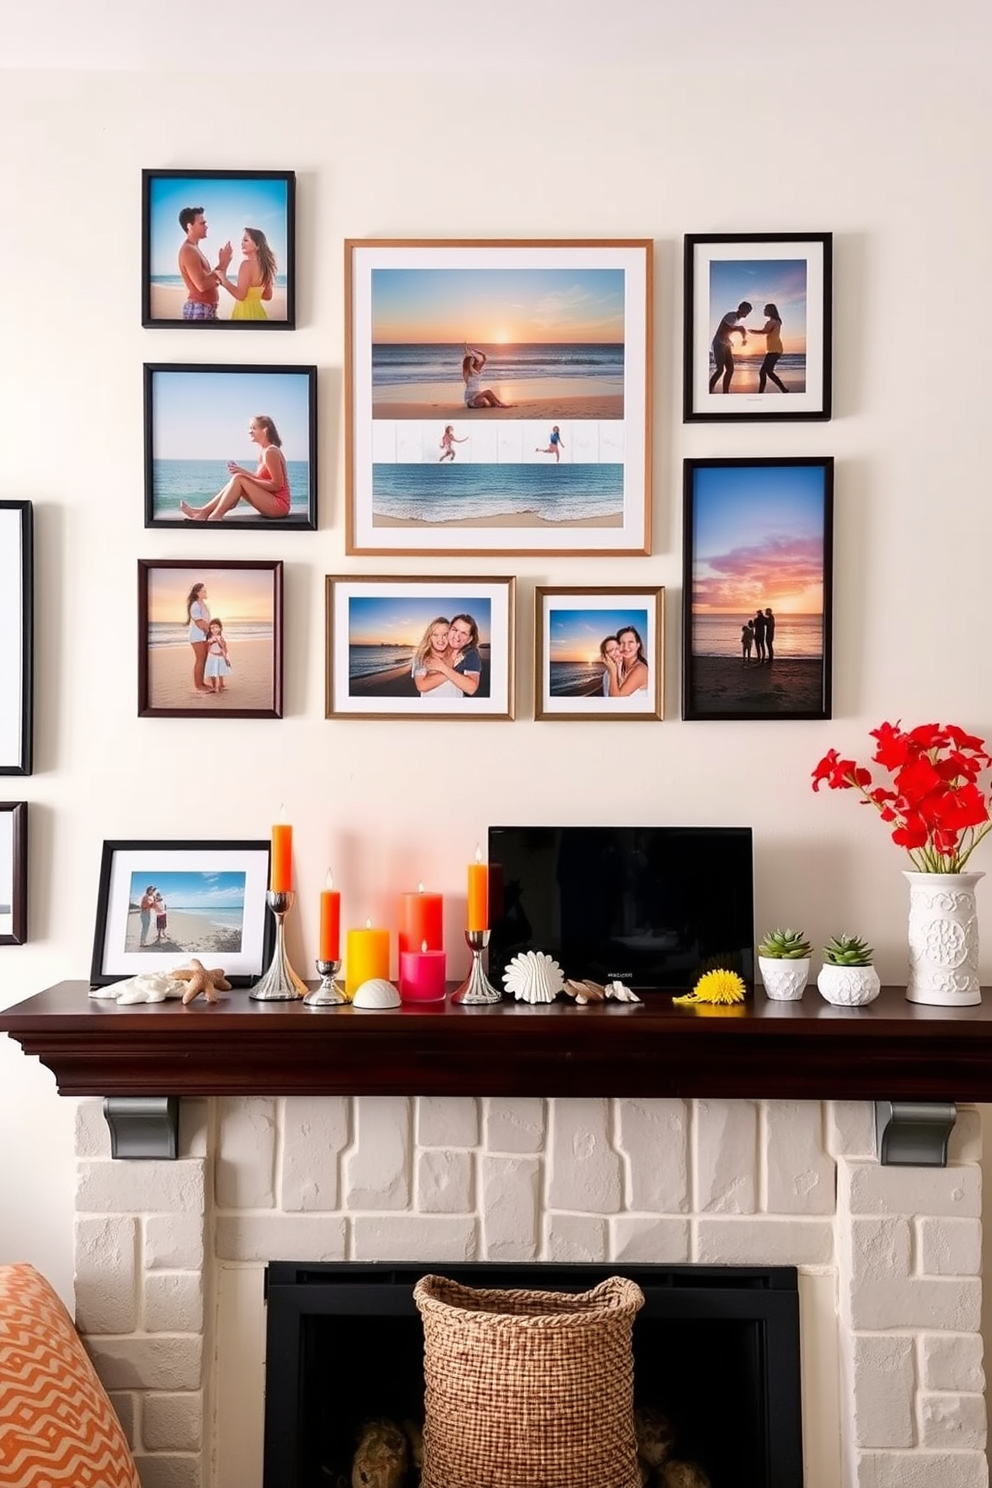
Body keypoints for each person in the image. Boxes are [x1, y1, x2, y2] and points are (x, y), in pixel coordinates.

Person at [180, 415, 291, 521]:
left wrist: (243, 475)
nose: (250, 431)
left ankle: (215, 515)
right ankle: (204, 512)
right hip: (269, 502)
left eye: (253, 428)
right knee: (238, 478)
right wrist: (244, 472)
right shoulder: (264, 451)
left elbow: (277, 485)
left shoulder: (271, 451)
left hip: (279, 506)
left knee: (239, 478)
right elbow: (262, 481)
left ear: (265, 430)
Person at [177, 206, 232, 322]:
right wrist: (222, 263)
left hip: (205, 309)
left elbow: (212, 282)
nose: (206, 226)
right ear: (189, 226)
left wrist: (225, 263)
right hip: (199, 309)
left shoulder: (194, 249)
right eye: (202, 223)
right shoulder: (188, 250)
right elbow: (201, 285)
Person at [216, 227, 277, 321]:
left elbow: (240, 296)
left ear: (257, 246)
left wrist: (224, 281)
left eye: (246, 240)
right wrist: (253, 295)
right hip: (259, 313)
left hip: (244, 313)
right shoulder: (266, 267)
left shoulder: (246, 265)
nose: (242, 243)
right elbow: (268, 296)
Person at [709, 300, 752, 394]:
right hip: (719, 343)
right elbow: (723, 331)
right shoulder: (731, 316)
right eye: (746, 311)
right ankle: (709, 389)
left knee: (730, 369)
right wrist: (738, 329)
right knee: (720, 370)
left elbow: (741, 330)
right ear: (740, 309)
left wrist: (744, 339)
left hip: (726, 344)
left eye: (748, 312)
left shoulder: (737, 320)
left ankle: (726, 392)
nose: (746, 314)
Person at [411, 617, 461, 698]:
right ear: (429, 637)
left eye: (445, 634)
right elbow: (422, 686)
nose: (440, 640)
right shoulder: (421, 657)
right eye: (435, 635)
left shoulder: (460, 654)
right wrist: (452, 670)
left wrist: (443, 669)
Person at [749, 303, 788, 394]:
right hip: (775, 349)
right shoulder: (777, 321)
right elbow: (767, 332)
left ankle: (762, 392)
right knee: (767, 371)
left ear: (770, 311)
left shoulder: (772, 322)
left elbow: (764, 332)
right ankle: (783, 390)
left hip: (774, 350)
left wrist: (751, 331)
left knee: (764, 372)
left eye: (765, 309)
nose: (764, 310)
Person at [462, 344, 508, 408]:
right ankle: (500, 404)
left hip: (478, 395)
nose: (480, 366)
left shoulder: (478, 372)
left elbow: (484, 359)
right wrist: (469, 354)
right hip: (471, 398)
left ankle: (497, 404)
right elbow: (466, 365)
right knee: (488, 392)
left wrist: (477, 352)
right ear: (474, 364)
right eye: (478, 364)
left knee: (486, 402)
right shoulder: (468, 373)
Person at [186, 582, 213, 694]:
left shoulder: (203, 604)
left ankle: (202, 683)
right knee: (200, 660)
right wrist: (211, 632)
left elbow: (206, 621)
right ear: (198, 593)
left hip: (204, 636)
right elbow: (200, 622)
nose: (206, 592)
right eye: (204, 590)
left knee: (204, 660)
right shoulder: (195, 605)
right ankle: (199, 686)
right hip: (197, 636)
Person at [608, 626, 650, 697]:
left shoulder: (641, 670)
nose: (626, 647)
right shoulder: (621, 669)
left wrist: (613, 670)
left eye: (630, 642)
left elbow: (616, 698)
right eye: (621, 643)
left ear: (638, 645)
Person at [204, 619, 233, 693]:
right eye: (212, 628)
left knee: (220, 671)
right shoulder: (210, 639)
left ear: (220, 628)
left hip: (220, 657)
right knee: (212, 672)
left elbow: (224, 647)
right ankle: (214, 687)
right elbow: (208, 647)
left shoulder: (221, 638)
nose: (214, 629)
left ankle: (221, 685)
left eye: (216, 627)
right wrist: (212, 642)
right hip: (212, 657)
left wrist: (226, 657)